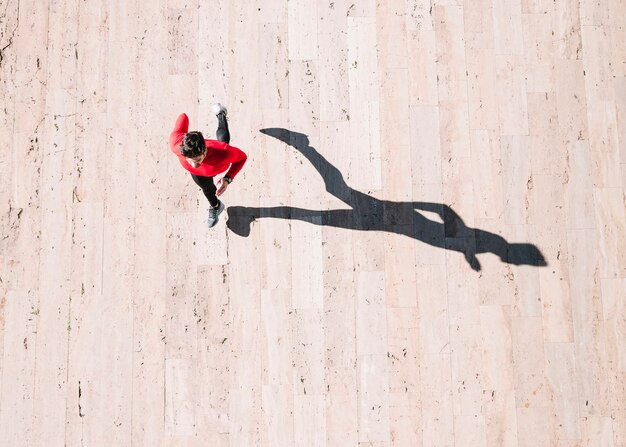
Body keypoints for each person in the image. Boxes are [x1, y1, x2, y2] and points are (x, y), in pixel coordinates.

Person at [168, 104, 248, 227]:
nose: (194, 165)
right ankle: (216, 206)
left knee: (223, 141)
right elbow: (183, 117)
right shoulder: (175, 145)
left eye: (198, 160)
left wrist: (228, 178)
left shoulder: (224, 152)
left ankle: (221, 114)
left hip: (219, 162)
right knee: (207, 189)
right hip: (200, 175)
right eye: (189, 160)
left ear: (205, 150)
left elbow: (242, 158)